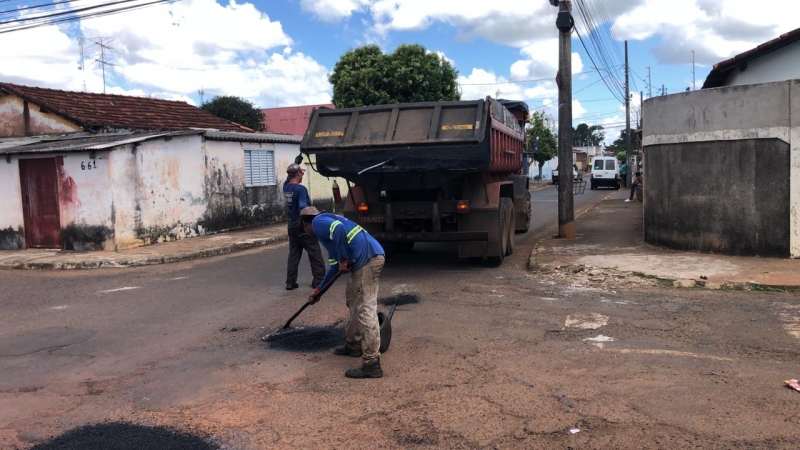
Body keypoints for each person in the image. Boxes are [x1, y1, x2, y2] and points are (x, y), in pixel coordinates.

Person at [299, 206, 386, 379]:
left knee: (365, 309)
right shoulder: (328, 235)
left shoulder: (318, 222)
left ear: (305, 224)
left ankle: (372, 363)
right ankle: (354, 343)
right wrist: (319, 291)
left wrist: (344, 260)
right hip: (367, 259)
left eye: (303, 229)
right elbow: (334, 268)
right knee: (352, 299)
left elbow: (338, 232)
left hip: (368, 259)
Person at [283, 163, 325, 290]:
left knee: (294, 254)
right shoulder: (301, 189)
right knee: (314, 252)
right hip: (303, 225)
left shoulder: (286, 187)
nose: (302, 175)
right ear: (297, 174)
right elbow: (303, 207)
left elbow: (288, 178)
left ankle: (290, 282)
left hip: (291, 226)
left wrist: (295, 162)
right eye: (301, 173)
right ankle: (319, 281)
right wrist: (313, 216)